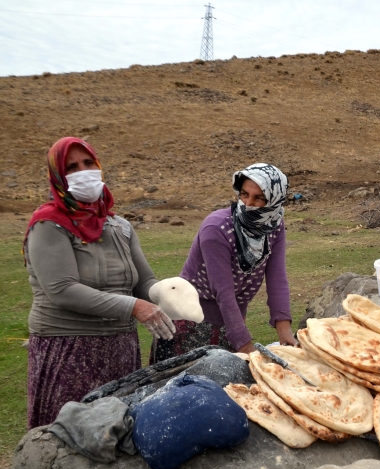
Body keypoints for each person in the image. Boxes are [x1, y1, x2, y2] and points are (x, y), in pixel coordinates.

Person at [25, 137, 175, 429]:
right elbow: (62, 290)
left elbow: (143, 281)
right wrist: (134, 306)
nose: (83, 171)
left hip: (120, 350)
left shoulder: (119, 226)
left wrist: (169, 293)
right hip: (69, 351)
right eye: (72, 167)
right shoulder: (48, 224)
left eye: (88, 163)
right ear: (58, 177)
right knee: (72, 439)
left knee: (117, 436)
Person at [151, 163, 296, 361]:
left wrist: (284, 330)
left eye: (259, 198)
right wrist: (244, 345)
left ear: (274, 201)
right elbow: (223, 291)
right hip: (188, 321)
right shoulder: (217, 228)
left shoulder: (273, 225)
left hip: (230, 321)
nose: (248, 203)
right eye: (244, 194)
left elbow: (277, 278)